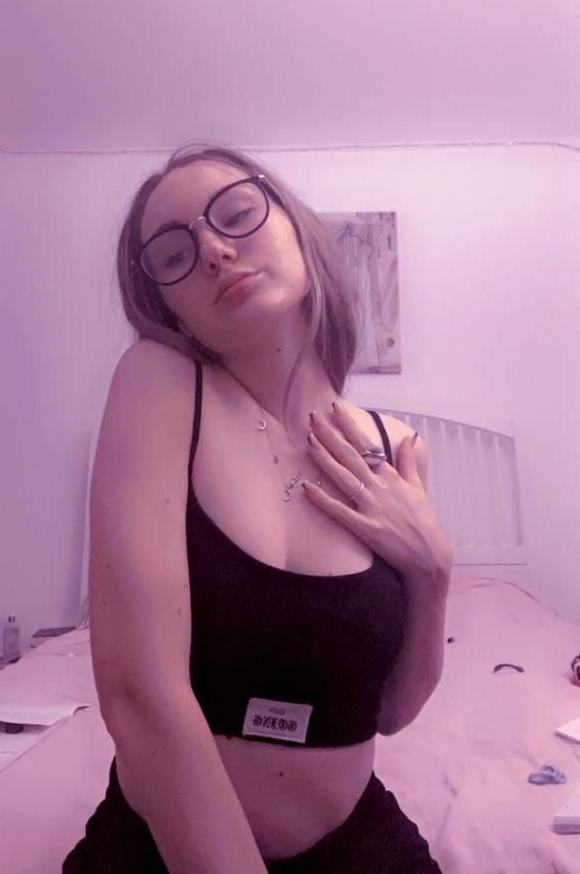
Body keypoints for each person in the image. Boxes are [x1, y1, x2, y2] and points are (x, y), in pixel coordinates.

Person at [63, 142, 452, 873]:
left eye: (237, 214)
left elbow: (391, 714)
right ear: (166, 304)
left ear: (296, 226)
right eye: (173, 254)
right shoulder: (160, 384)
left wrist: (433, 574)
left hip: (354, 843)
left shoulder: (393, 447)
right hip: (163, 850)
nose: (213, 250)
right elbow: (140, 697)